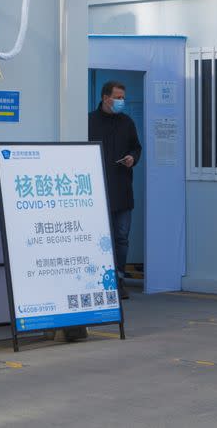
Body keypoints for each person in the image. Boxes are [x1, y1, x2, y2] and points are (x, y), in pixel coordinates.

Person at [88, 80, 142, 300]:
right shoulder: (89, 121)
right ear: (104, 97)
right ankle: (99, 280)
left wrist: (132, 158)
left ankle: (119, 279)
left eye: (123, 97)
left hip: (122, 189)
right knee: (100, 238)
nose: (121, 101)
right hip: (98, 191)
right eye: (117, 97)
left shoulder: (127, 122)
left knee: (121, 237)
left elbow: (136, 147)